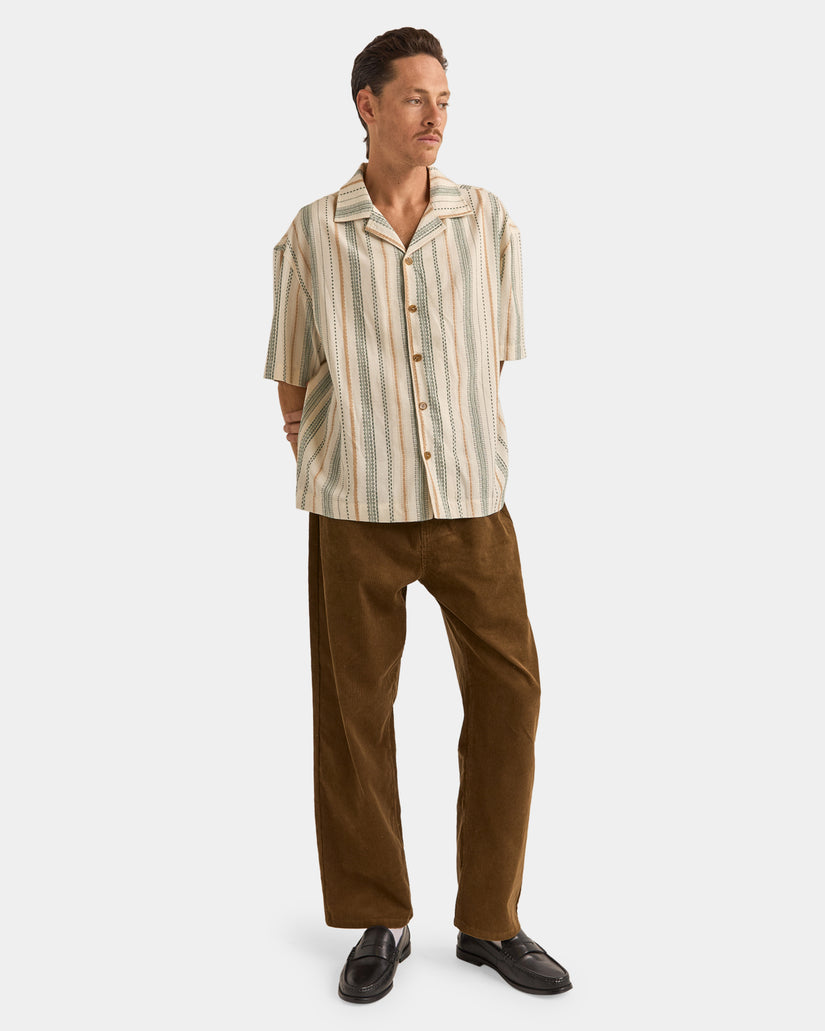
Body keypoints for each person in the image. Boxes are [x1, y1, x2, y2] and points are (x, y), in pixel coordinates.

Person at [264, 26, 572, 1004]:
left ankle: (490, 918)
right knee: (354, 715)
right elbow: (291, 374)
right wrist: (337, 444)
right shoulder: (313, 232)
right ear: (367, 105)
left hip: (471, 502)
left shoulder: (487, 221)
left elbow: (491, 355)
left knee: (512, 694)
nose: (435, 115)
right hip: (354, 505)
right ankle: (379, 917)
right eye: (413, 98)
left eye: (444, 99)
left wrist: (451, 440)